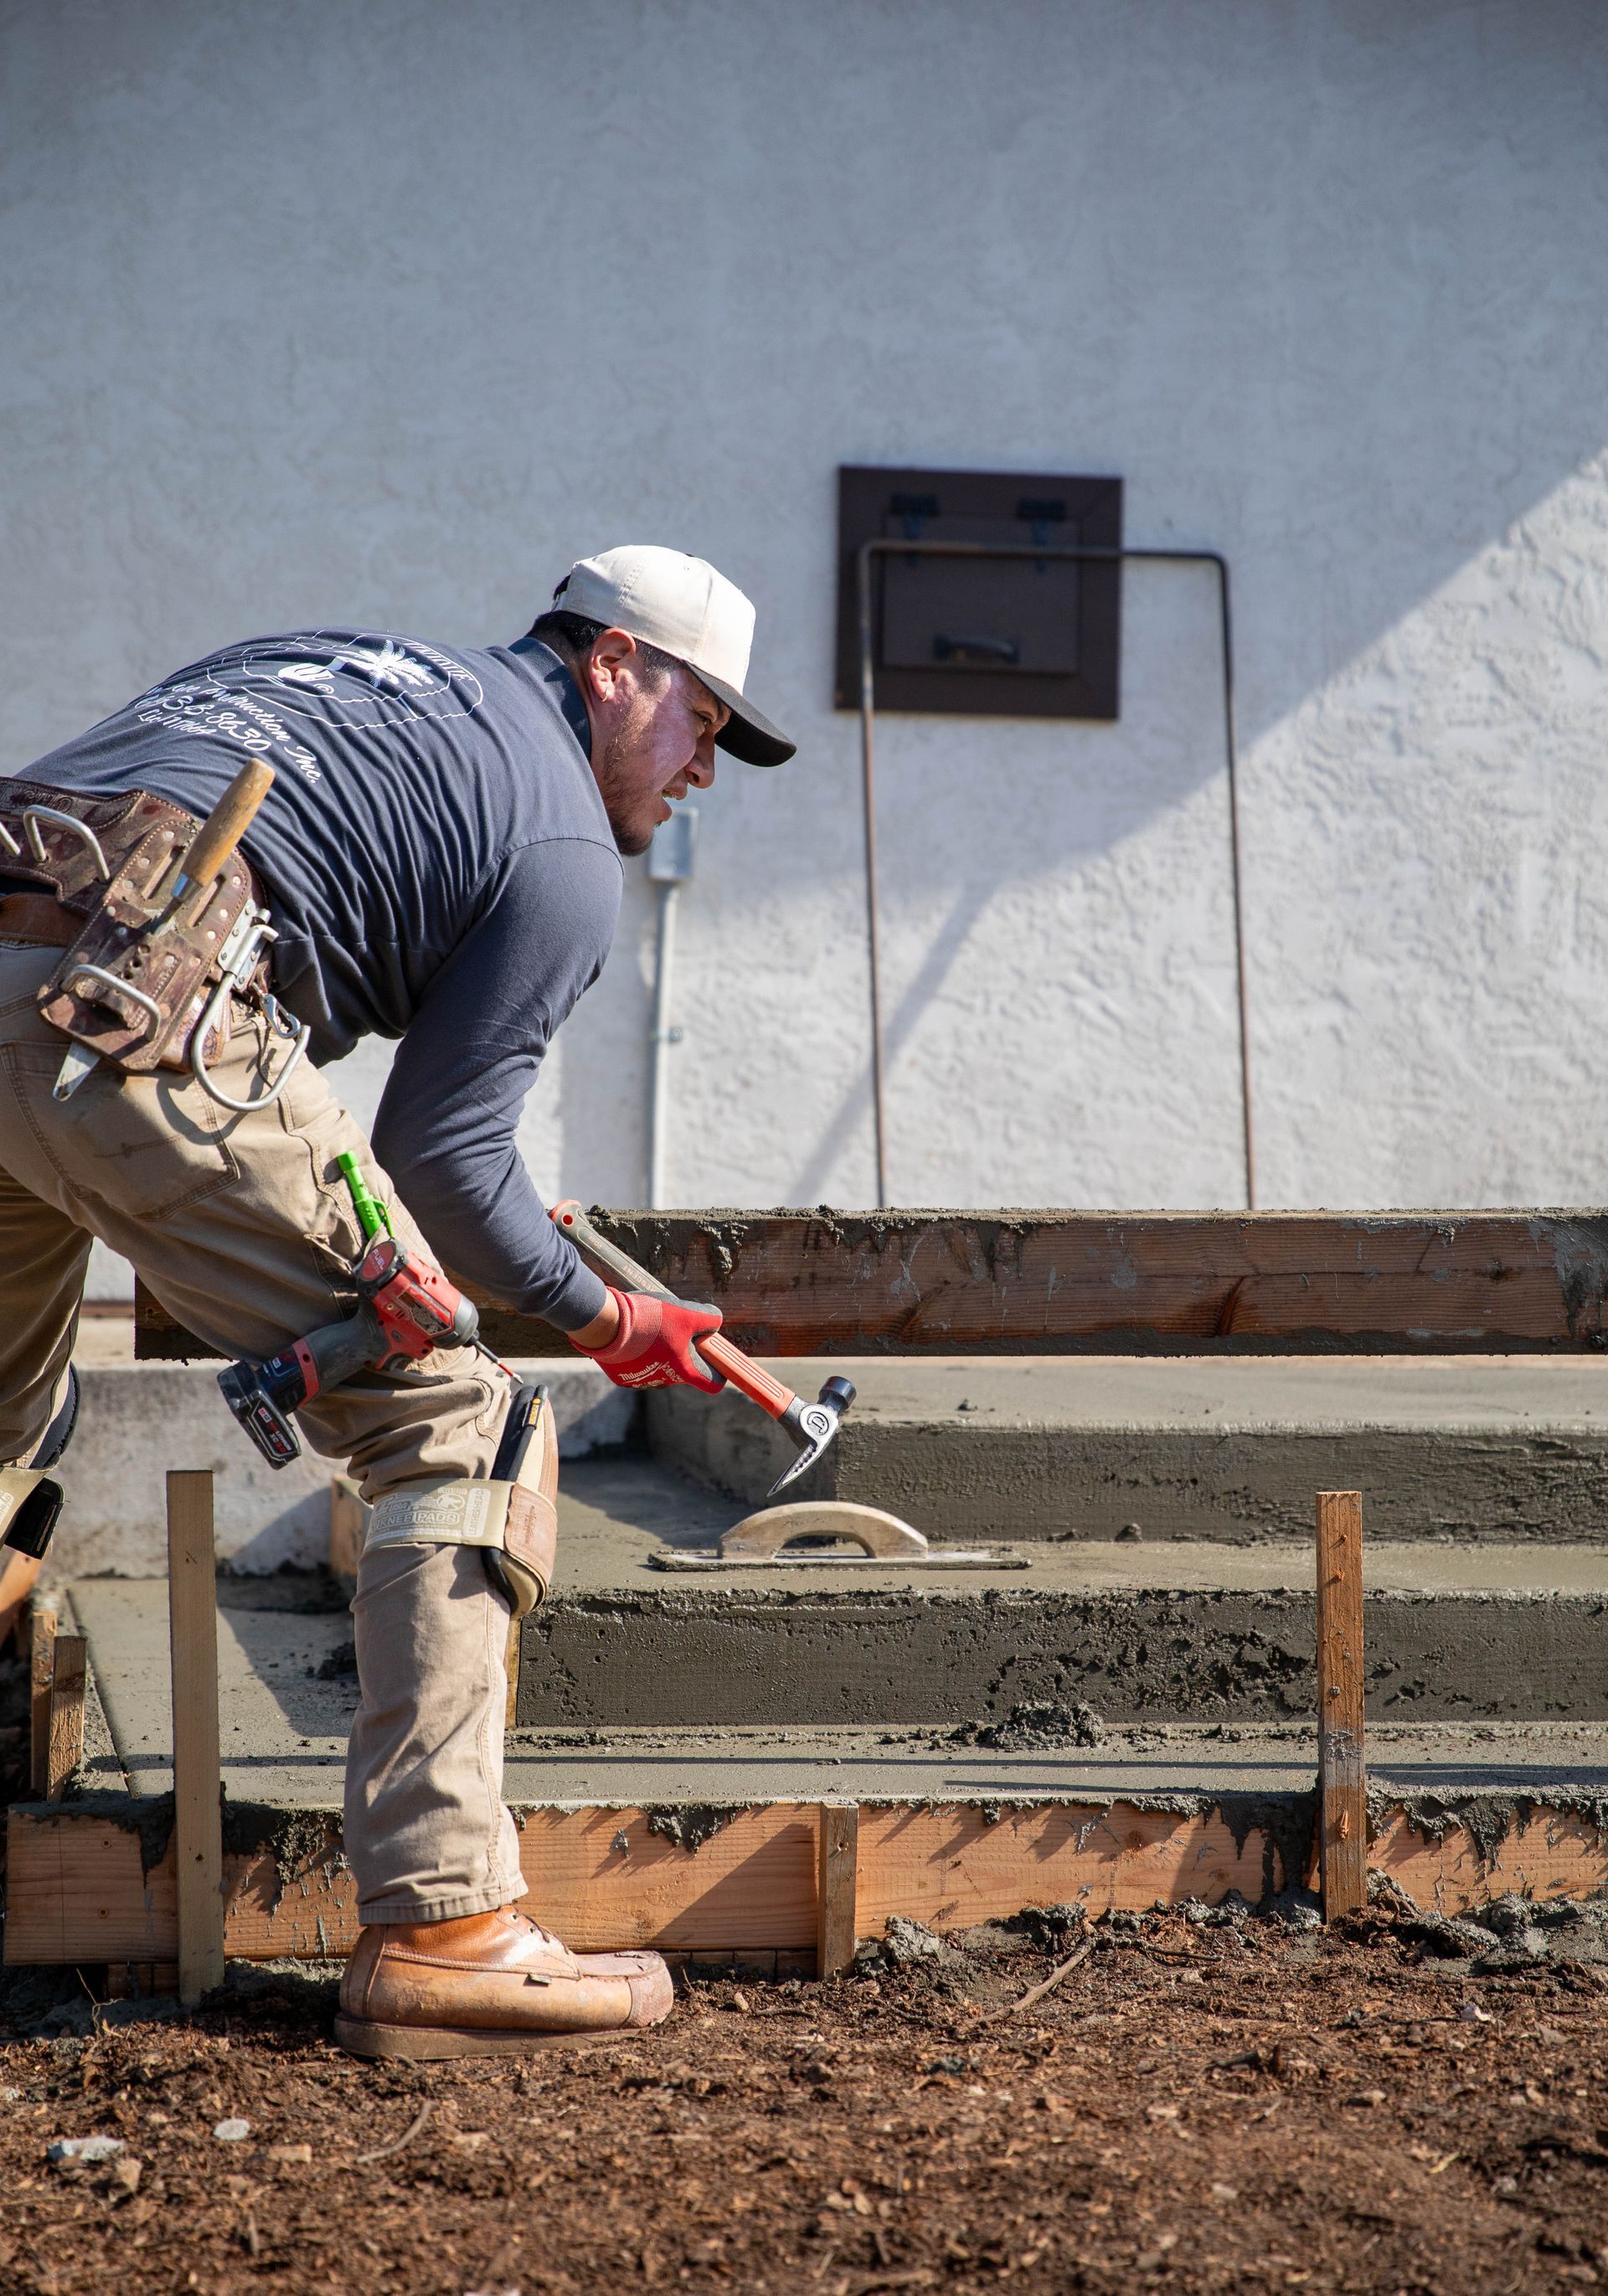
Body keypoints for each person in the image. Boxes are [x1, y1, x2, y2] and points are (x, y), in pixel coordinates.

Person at [0, 546, 795, 2058]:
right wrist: (607, 1318)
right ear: (614, 664)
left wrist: (486, 1231)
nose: (706, 766)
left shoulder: (354, 665)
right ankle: (446, 1923)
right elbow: (440, 1158)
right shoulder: (562, 834)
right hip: (135, 999)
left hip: (18, 937)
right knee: (458, 1420)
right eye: (702, 718)